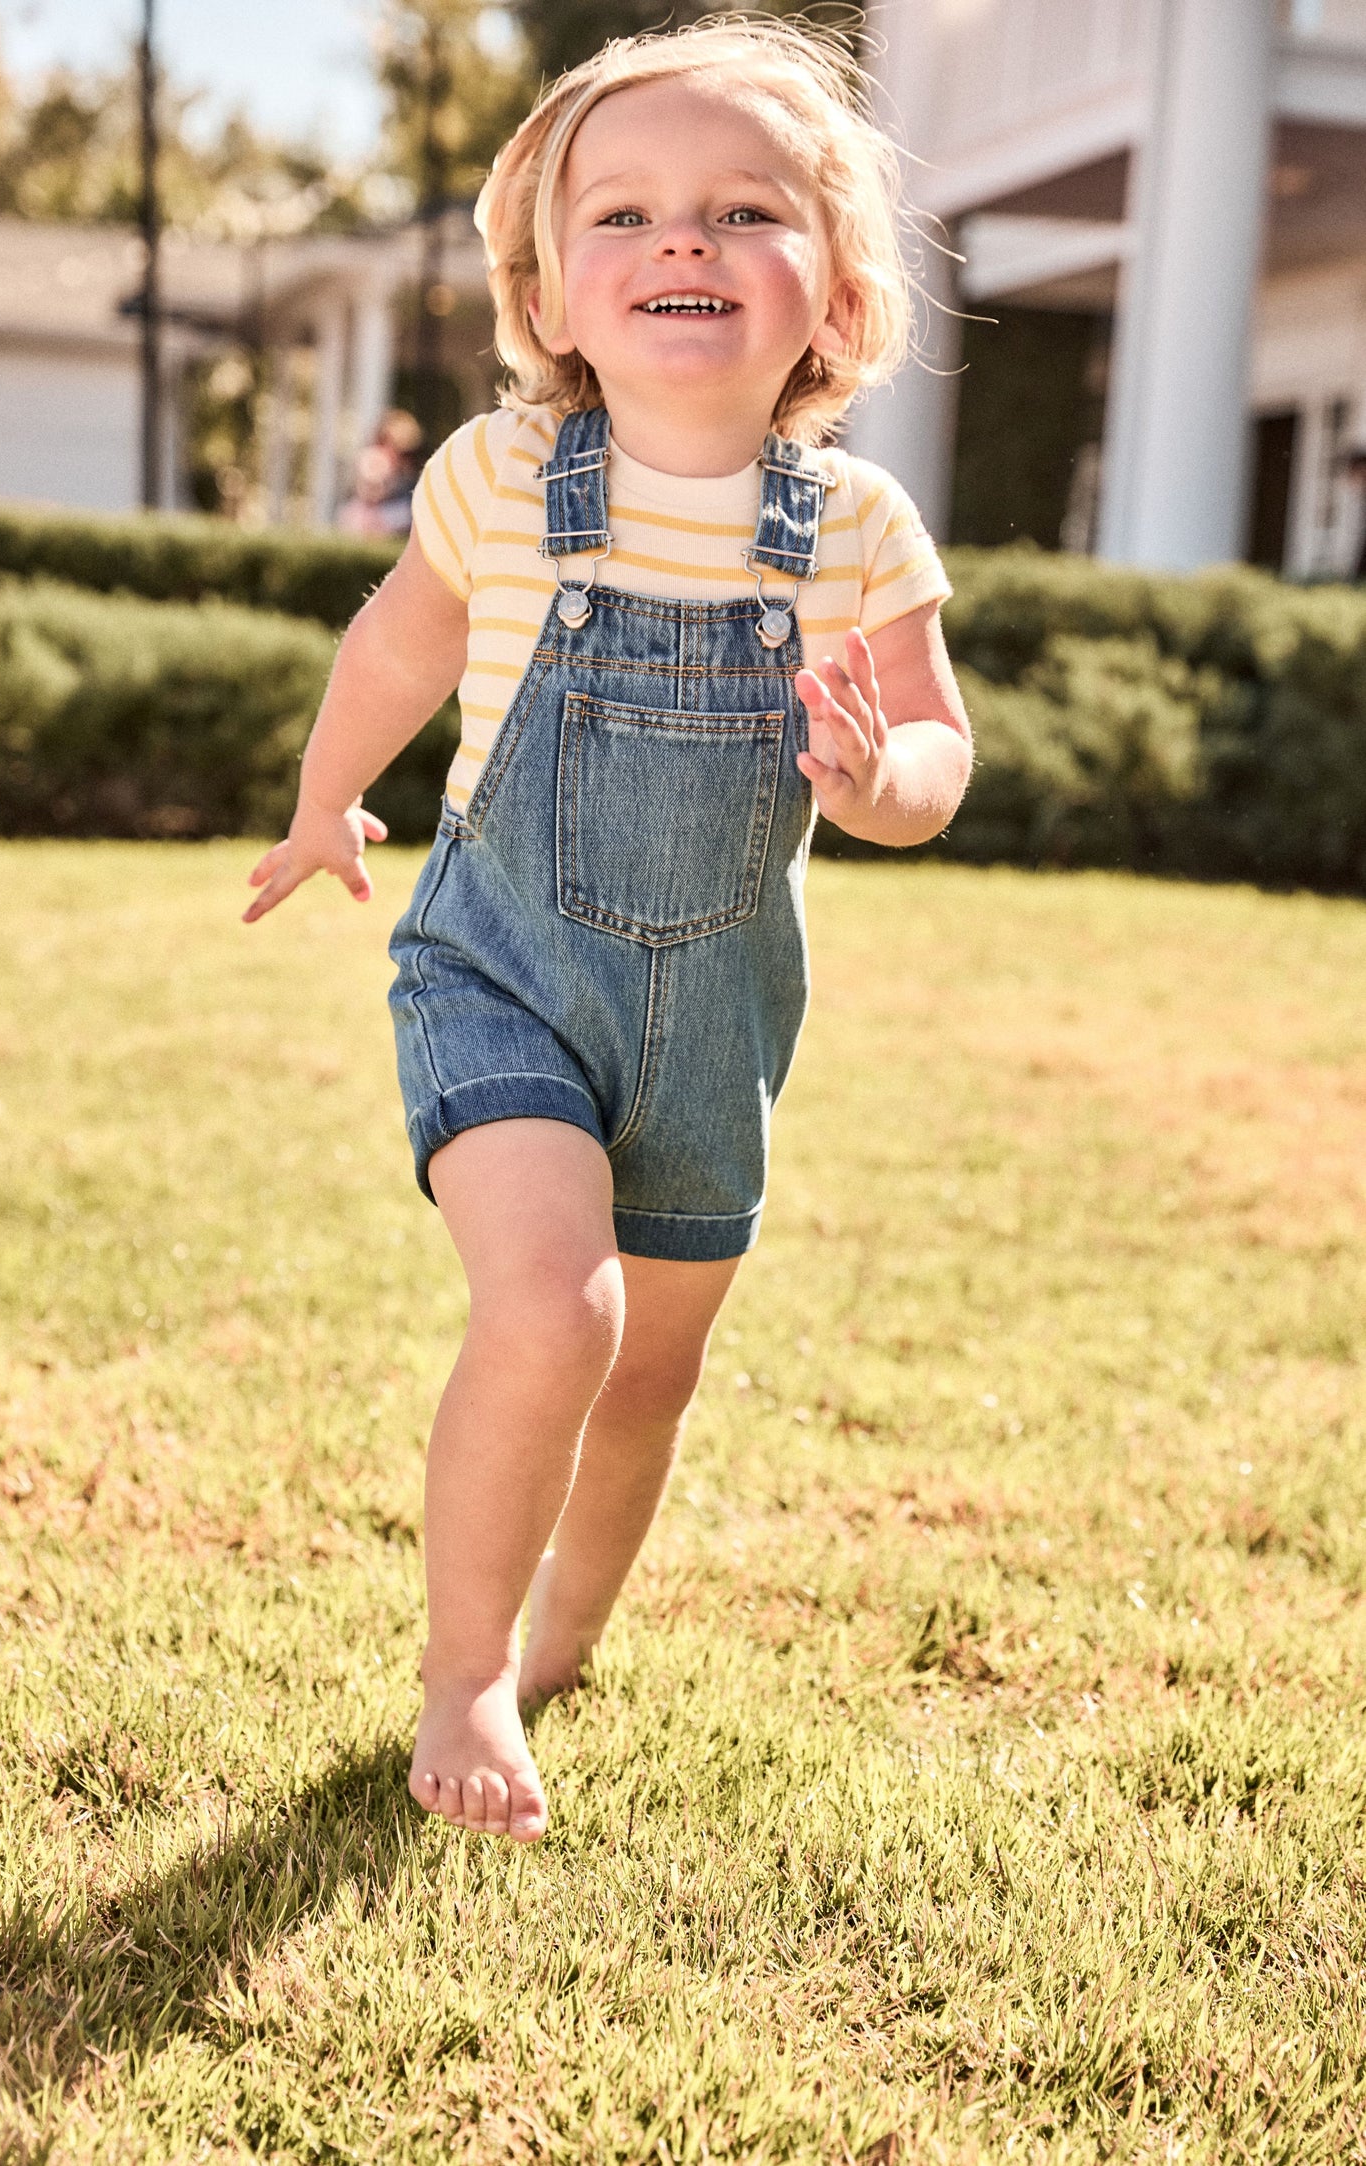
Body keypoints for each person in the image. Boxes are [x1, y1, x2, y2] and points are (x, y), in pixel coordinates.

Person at [243, 20, 972, 1843]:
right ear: (554, 285)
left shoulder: (857, 530)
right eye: (629, 212)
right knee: (557, 1307)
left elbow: (939, 746)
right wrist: (327, 795)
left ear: (837, 291)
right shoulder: (501, 483)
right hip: (501, 970)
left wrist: (882, 783)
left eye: (745, 212)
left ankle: (569, 1625)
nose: (685, 243)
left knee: (652, 1367)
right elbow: (401, 642)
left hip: (713, 1024)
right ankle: (466, 1663)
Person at [336, 409, 423, 537]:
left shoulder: (407, 474)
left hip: (390, 516)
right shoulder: (372, 459)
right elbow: (366, 490)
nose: (391, 449)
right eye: (386, 441)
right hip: (366, 513)